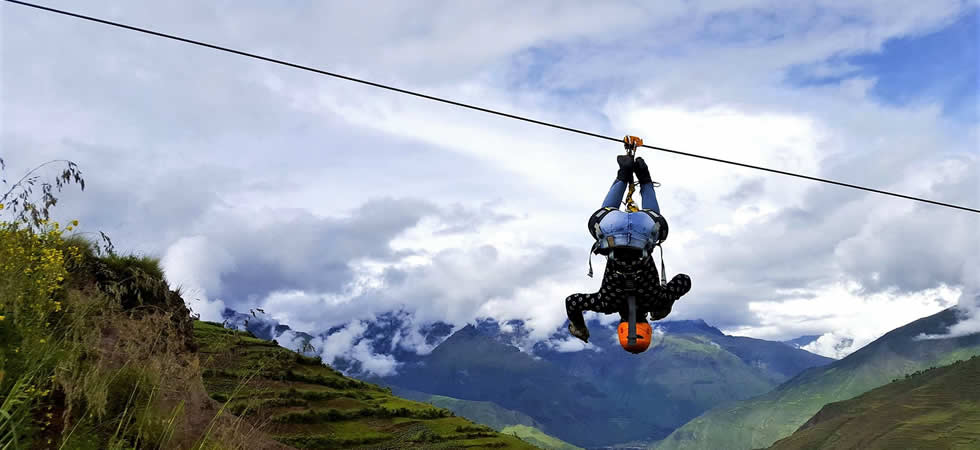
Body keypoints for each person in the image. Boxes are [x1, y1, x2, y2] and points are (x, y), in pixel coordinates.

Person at [565, 154, 692, 353]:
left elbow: (684, 280)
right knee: (605, 213)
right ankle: (624, 172)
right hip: (611, 230)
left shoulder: (656, 299)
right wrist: (578, 327)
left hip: (644, 229)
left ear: (648, 329)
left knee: (654, 223)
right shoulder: (605, 303)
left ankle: (644, 177)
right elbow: (572, 302)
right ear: (620, 330)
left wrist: (667, 302)